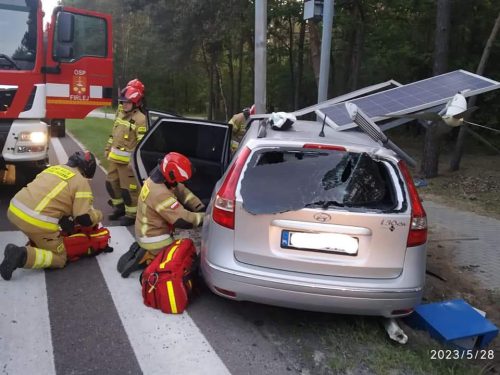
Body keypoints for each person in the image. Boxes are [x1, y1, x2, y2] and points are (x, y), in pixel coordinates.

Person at [0, 151, 109, 281]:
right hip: (35, 221)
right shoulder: (81, 181)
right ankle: (22, 255)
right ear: (87, 169)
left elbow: (50, 197)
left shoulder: (53, 169)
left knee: (42, 236)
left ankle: (35, 244)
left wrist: (64, 217)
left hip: (14, 210)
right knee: (60, 258)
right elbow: (83, 219)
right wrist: (99, 215)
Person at [117, 152, 205, 278]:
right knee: (186, 253)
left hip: (146, 231)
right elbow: (182, 220)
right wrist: (205, 218)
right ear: (171, 175)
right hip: (155, 239)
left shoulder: (158, 179)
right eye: (179, 179)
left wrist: (198, 206)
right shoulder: (160, 193)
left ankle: (148, 253)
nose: (179, 182)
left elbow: (181, 190)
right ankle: (153, 257)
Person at [105, 79, 148, 226]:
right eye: (123, 102)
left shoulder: (140, 120)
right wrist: (107, 148)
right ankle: (119, 208)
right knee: (111, 183)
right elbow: (114, 133)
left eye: (127, 102)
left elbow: (141, 145)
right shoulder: (120, 113)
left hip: (127, 164)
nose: (124, 105)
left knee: (129, 190)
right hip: (114, 159)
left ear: (136, 103)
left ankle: (131, 214)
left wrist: (133, 163)